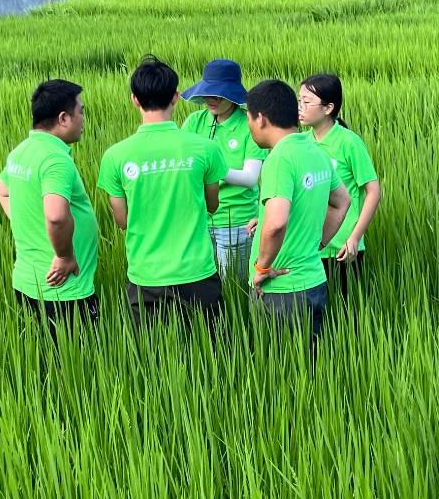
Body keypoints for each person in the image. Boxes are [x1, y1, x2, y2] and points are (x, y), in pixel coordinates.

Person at [97, 56, 228, 327]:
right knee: (211, 357)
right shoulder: (205, 149)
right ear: (176, 97)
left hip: (146, 276)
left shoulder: (115, 156)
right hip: (197, 272)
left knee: (152, 359)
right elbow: (212, 205)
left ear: (134, 99)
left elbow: (122, 220)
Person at [245, 79, 351, 340]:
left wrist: (261, 269)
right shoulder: (315, 152)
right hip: (314, 282)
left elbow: (277, 222)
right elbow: (342, 201)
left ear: (260, 119)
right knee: (310, 368)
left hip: (281, 292)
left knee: (279, 373)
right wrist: (318, 242)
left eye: (248, 119)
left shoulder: (279, 158)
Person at [0, 79, 100, 329]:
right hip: (64, 291)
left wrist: (23, 219)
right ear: (63, 118)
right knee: (77, 364)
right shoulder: (55, 160)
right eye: (81, 111)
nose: (83, 119)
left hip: (27, 283)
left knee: (43, 360)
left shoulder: (20, 152)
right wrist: (64, 256)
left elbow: (3, 192)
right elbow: (56, 216)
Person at [181, 59, 266, 282]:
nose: (212, 99)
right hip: (198, 219)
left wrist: (212, 170)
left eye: (219, 94)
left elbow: (250, 177)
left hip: (236, 221)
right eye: (209, 92)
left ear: (233, 95)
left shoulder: (248, 125)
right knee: (203, 285)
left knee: (232, 288)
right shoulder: (194, 122)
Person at [298, 73, 381, 300]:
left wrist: (355, 237)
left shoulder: (348, 142)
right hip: (310, 246)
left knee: (346, 316)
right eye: (299, 101)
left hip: (343, 248)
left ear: (328, 108)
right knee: (314, 316)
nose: (300, 108)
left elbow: (373, 190)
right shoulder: (301, 143)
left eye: (306, 102)